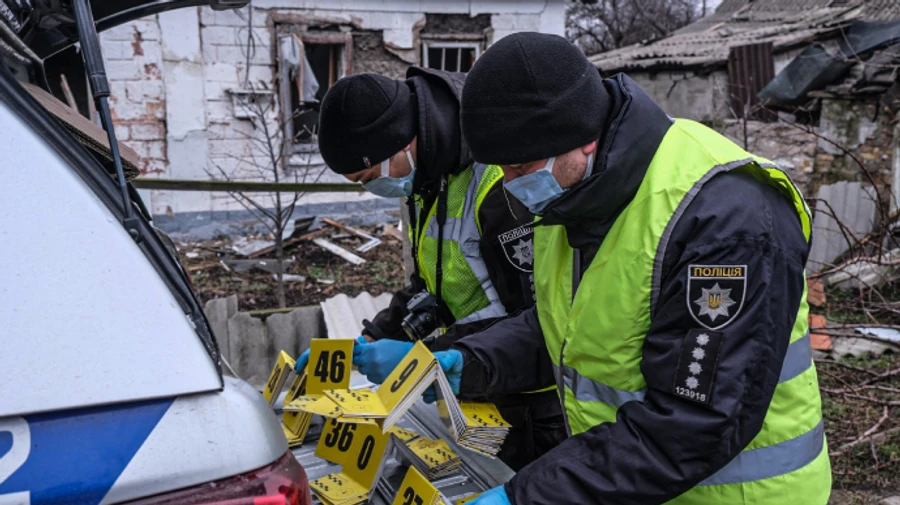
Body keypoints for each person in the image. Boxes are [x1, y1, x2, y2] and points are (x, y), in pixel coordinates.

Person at [433, 32, 830, 505]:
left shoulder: (725, 219)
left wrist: (528, 497)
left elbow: (694, 420)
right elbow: (568, 330)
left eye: (520, 167)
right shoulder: (572, 198)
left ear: (581, 137)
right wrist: (474, 361)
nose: (510, 183)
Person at [294, 67, 566, 470]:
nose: (371, 188)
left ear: (400, 144)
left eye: (368, 177)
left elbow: (543, 321)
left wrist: (424, 357)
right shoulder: (428, 178)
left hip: (536, 405)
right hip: (476, 383)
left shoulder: (500, 185)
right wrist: (370, 339)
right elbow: (431, 286)